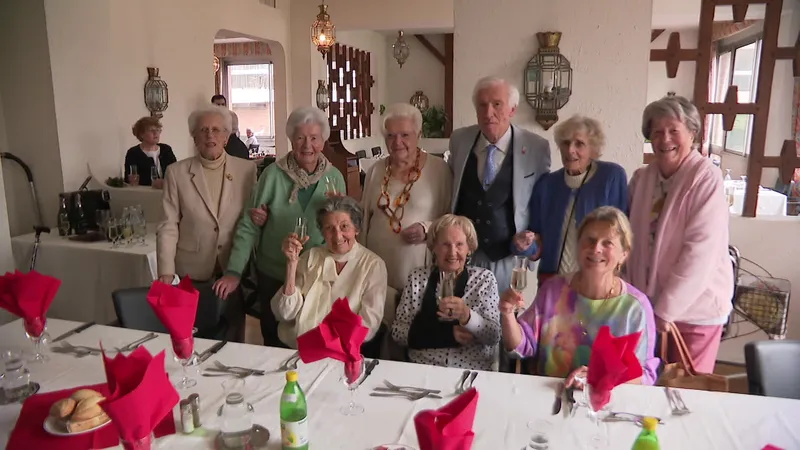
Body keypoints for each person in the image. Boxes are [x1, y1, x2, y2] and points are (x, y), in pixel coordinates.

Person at [214, 106, 346, 346]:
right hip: (274, 274)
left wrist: (338, 212)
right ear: (291, 140)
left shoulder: (334, 177)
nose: (307, 145)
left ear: (323, 141)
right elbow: (249, 225)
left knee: (315, 341)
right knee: (275, 341)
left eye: (314, 138)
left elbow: (344, 230)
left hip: (318, 276)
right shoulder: (273, 175)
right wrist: (234, 272)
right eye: (300, 138)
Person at [627, 95, 732, 373]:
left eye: (674, 130)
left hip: (695, 312)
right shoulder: (641, 179)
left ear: (692, 133)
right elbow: (629, 243)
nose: (665, 139)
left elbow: (700, 254)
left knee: (686, 389)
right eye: (657, 132)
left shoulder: (706, 177)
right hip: (647, 309)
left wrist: (665, 310)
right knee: (645, 385)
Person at [500, 206, 659, 385]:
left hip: (608, 401)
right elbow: (523, 346)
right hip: (550, 396)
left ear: (623, 254)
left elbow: (645, 376)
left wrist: (599, 377)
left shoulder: (635, 307)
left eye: (607, 243)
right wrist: (507, 314)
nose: (596, 248)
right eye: (590, 240)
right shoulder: (553, 290)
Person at [156, 105, 257, 340]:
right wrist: (166, 271)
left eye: (216, 130)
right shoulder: (176, 172)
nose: (210, 135)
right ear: (194, 136)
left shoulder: (246, 170)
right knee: (193, 336)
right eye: (203, 130)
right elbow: (168, 224)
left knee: (234, 339)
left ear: (227, 136)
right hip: (192, 271)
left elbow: (250, 218)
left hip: (232, 268)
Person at [448, 76, 551, 293]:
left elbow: (542, 200)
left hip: (508, 258)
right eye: (482, 105)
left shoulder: (536, 147)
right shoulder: (459, 140)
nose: (488, 113)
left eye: (497, 104)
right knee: (458, 309)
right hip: (461, 254)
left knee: (505, 311)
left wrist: (532, 243)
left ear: (512, 110)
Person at [512, 115, 628, 286]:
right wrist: (525, 245)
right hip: (553, 284)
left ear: (593, 149)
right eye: (565, 143)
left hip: (597, 283)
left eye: (579, 144)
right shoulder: (547, 185)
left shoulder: (611, 176)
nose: (570, 150)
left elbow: (621, 234)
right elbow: (537, 243)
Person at [360, 103, 452, 305]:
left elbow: (451, 219)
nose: (397, 142)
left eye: (405, 135)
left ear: (418, 135)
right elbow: (364, 218)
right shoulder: (375, 170)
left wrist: (427, 229)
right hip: (376, 273)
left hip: (418, 273)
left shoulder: (439, 170)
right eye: (390, 136)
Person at [272, 196, 387, 349]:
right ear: (322, 232)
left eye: (344, 226)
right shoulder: (310, 257)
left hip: (343, 351)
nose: (338, 236)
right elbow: (285, 314)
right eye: (329, 228)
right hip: (296, 348)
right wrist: (291, 264)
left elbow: (368, 325)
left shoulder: (373, 265)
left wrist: (326, 345)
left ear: (357, 229)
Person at [392, 214, 501, 371]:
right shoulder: (417, 278)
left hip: (469, 370)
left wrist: (468, 316)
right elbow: (397, 332)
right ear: (434, 247)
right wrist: (445, 335)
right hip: (422, 369)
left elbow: (493, 336)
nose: (452, 252)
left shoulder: (484, 279)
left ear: (469, 248)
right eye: (445, 244)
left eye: (459, 244)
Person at [124, 116, 177, 188]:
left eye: (158, 130)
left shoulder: (166, 149)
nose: (156, 133)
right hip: (144, 193)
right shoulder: (133, 153)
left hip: (167, 191)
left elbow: (176, 172)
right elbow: (128, 179)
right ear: (141, 134)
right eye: (151, 130)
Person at [211, 94, 249, 159]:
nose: (221, 107)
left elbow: (234, 131)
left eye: (223, 104)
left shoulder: (232, 115)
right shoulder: (209, 118)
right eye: (218, 105)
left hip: (232, 144)